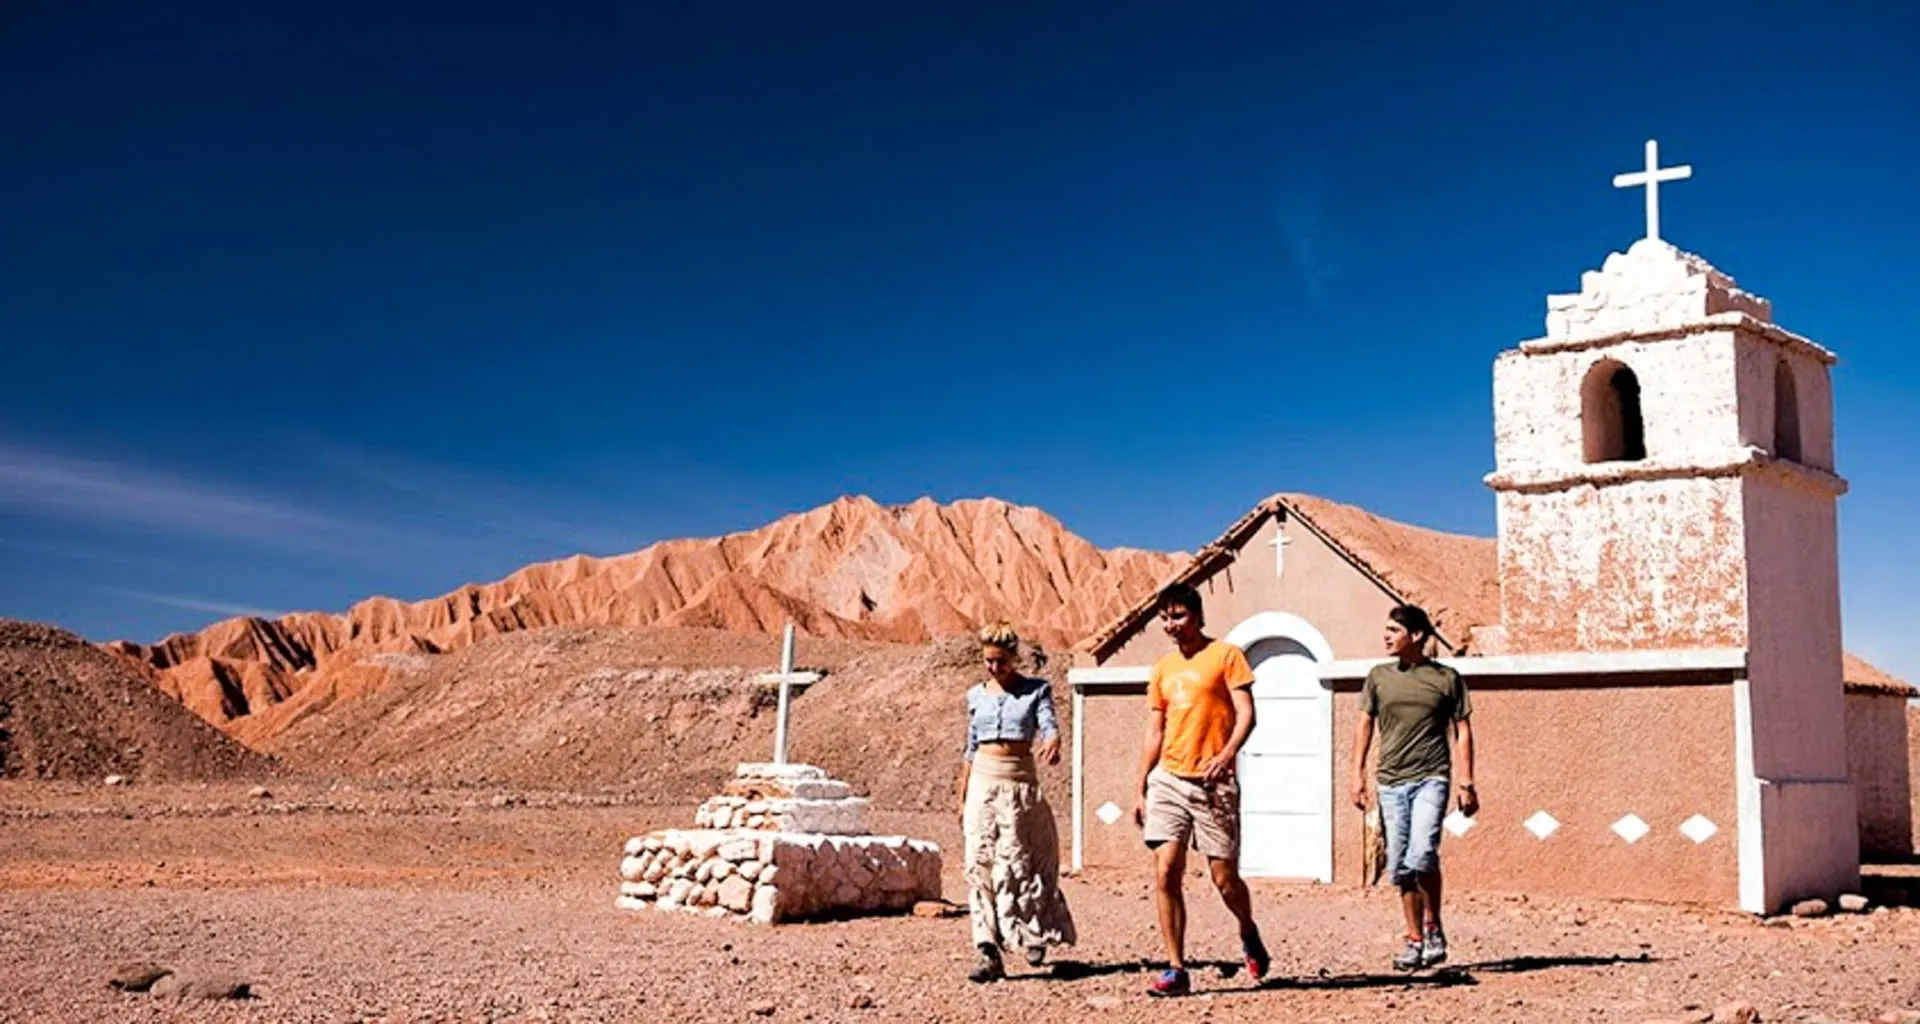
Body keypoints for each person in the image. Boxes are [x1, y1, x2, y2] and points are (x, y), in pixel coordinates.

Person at [1131, 583, 1271, 997]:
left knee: (1224, 878)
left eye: (1179, 616)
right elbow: (1155, 730)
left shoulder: (1226, 656)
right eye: (1166, 618)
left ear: (1197, 615)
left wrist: (1227, 753)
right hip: (1168, 779)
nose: (1172, 625)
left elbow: (1247, 713)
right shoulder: (1162, 669)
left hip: (1214, 784)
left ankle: (1247, 930)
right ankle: (1176, 969)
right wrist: (1140, 785)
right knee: (1165, 869)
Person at [1349, 603, 1478, 972]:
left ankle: (1433, 925)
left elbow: (1463, 731)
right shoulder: (1378, 677)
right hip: (1390, 781)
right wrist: (1356, 775)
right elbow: (1364, 726)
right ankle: (1414, 939)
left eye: (1394, 629)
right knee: (1401, 867)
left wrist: (1467, 781)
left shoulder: (1446, 678)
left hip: (1431, 777)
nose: (1386, 636)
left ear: (1416, 635)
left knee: (1422, 853)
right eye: (1386, 629)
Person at [957, 621, 1076, 983]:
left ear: (1014, 657)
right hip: (982, 781)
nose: (994, 668)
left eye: (1001, 661)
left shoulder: (1035, 691)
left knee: (1021, 863)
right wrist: (962, 795)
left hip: (1019, 782)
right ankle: (987, 949)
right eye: (988, 661)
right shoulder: (975, 695)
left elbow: (1048, 723)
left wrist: (1053, 740)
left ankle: (1032, 930)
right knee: (980, 864)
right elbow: (970, 746)